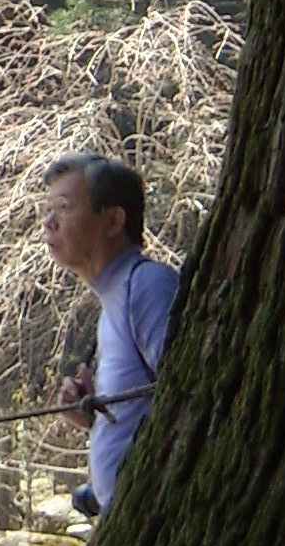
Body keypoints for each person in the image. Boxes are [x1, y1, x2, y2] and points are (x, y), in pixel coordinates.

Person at [40, 152, 180, 511]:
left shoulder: (146, 285)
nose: (49, 222)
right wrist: (95, 418)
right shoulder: (113, 297)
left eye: (65, 207)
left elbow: (187, 397)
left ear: (114, 219)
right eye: (49, 209)